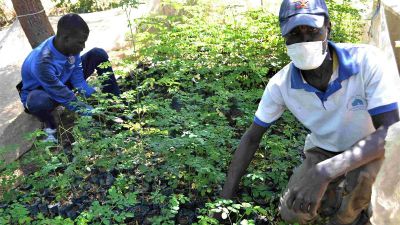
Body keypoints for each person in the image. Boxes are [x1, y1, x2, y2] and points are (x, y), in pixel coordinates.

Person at [219, 0, 400, 224]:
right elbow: (252, 137)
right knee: (293, 212)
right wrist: (224, 200)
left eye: (312, 30)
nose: (305, 40)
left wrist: (324, 172)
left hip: (372, 148)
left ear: (328, 29)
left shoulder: (366, 61)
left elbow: (391, 131)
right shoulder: (281, 85)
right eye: (295, 32)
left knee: (354, 198)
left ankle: (353, 215)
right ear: (284, 38)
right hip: (324, 149)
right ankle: (337, 195)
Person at [17, 13, 121, 142]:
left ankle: (115, 102)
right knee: (38, 102)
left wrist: (99, 99)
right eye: (80, 42)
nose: (83, 47)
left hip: (62, 82)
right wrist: (95, 114)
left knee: (98, 54)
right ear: (66, 38)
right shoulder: (42, 61)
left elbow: (79, 82)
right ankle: (50, 128)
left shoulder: (72, 49)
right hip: (42, 92)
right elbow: (64, 95)